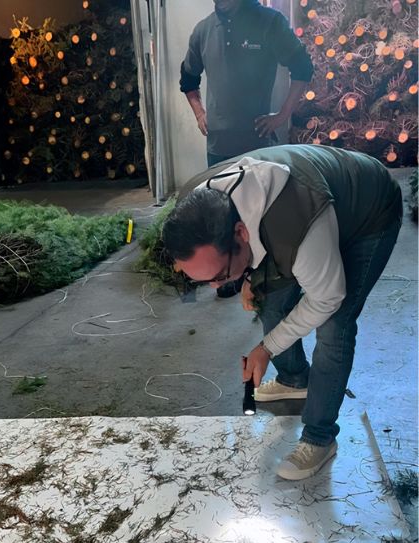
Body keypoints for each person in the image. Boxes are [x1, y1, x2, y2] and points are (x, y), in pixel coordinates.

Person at [161, 145, 402, 481]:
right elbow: (250, 262)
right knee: (271, 301)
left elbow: (327, 298)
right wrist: (244, 277)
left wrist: (266, 347)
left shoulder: (298, 228)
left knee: (335, 324)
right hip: (309, 213)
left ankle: (320, 437)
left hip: (368, 209)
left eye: (219, 276)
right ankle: (294, 379)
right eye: (205, 281)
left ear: (241, 235)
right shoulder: (195, 209)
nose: (216, 289)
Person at [180, 0, 312, 298]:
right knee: (221, 216)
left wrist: (281, 116)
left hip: (257, 145)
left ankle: (269, 275)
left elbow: (303, 67)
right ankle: (229, 275)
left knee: (265, 215)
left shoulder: (269, 22)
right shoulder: (202, 31)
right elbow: (188, 78)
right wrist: (200, 114)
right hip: (218, 146)